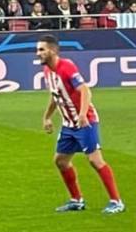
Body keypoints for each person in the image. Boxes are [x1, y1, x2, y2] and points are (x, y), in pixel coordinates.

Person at [35, 36, 125, 214]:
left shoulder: (66, 67)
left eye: (42, 50)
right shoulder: (47, 71)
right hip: (69, 124)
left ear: (52, 51)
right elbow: (56, 96)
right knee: (60, 161)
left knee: (95, 160)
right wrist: (47, 117)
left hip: (85, 121)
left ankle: (117, 201)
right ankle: (77, 200)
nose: (38, 53)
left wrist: (83, 114)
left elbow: (85, 90)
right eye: (38, 50)